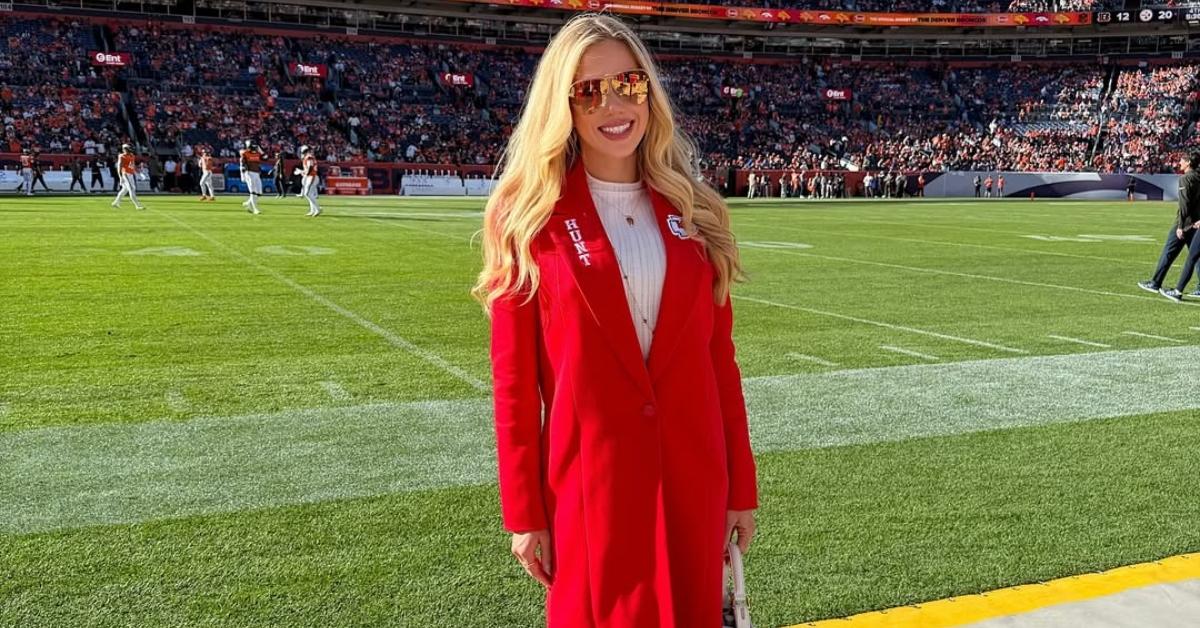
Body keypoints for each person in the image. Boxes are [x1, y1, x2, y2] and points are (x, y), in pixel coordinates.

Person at [475, 14, 758, 626]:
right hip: (589, 486)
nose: (613, 104)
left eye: (628, 84)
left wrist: (741, 486)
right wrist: (524, 512)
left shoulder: (696, 209)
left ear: (648, 92)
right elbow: (515, 385)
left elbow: (720, 362)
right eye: (588, 90)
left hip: (693, 475)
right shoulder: (526, 218)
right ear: (564, 106)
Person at [1156, 152, 1200, 302]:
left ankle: (1176, 290)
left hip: (1189, 222)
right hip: (1196, 222)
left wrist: (1181, 225)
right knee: (1195, 256)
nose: (1179, 162)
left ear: (1188, 162)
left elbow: (1184, 204)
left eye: (1182, 160)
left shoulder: (1186, 178)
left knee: (1192, 257)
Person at [111, 144, 145, 210]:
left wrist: (140, 173)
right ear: (124, 149)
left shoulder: (132, 155)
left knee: (125, 190)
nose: (129, 149)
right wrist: (120, 177)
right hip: (125, 174)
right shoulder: (122, 156)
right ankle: (137, 205)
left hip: (131, 174)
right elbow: (119, 167)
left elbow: (133, 165)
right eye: (127, 148)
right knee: (131, 189)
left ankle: (115, 203)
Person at [239, 140, 264, 214]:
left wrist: (261, 150)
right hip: (249, 173)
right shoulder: (245, 153)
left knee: (259, 193)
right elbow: (242, 165)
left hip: (257, 173)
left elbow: (266, 157)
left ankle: (248, 204)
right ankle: (255, 209)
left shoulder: (257, 153)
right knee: (253, 192)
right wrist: (243, 176)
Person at [299, 145, 321, 217]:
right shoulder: (308, 156)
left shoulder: (309, 157)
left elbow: (310, 167)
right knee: (310, 194)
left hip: (312, 177)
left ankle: (317, 209)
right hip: (311, 176)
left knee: (307, 194)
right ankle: (312, 210)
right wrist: (302, 172)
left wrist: (306, 174)